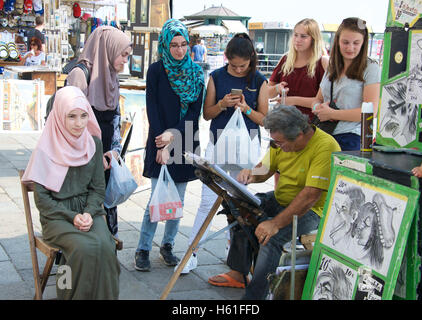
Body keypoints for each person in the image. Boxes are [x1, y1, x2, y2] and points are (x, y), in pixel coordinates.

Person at [208, 106, 341, 299]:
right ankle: (239, 271)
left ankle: (255, 297)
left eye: (281, 142)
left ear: (300, 135)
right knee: (237, 207)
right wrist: (251, 175)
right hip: (281, 198)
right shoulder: (280, 142)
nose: (277, 146)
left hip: (313, 210)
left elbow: (310, 196)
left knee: (272, 238)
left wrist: (275, 224)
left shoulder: (325, 146)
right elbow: (266, 168)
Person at [177, 33, 269, 275]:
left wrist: (247, 109)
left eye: (243, 66)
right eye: (233, 65)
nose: (238, 70)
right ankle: (191, 252)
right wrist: (222, 105)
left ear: (251, 60)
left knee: (239, 204)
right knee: (207, 200)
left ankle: (236, 256)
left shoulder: (259, 81)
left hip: (246, 146)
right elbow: (206, 114)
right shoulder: (217, 77)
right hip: (218, 144)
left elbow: (265, 120)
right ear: (227, 58)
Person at [21, 86, 120, 300]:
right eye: (72, 116)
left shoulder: (92, 143)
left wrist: (88, 212)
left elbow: (97, 189)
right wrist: (71, 216)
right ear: (59, 116)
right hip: (56, 217)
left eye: (84, 116)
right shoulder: (46, 149)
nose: (79, 123)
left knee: (106, 246)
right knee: (83, 248)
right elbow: (43, 200)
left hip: (89, 212)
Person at [134, 19, 205, 271]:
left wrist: (171, 137)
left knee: (178, 200)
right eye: (174, 45)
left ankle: (168, 245)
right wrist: (161, 143)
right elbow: (152, 108)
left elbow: (194, 113)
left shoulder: (196, 73)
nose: (179, 50)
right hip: (158, 138)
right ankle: (143, 248)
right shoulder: (156, 70)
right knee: (156, 199)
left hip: (184, 139)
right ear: (165, 44)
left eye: (184, 44)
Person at [66, 26, 132, 237]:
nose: (125, 61)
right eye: (123, 54)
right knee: (83, 216)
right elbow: (71, 126)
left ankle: (102, 260)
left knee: (102, 214)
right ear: (108, 49)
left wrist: (114, 151)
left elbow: (115, 120)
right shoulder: (80, 74)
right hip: (82, 162)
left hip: (104, 161)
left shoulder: (111, 76)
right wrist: (93, 155)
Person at [311, 17, 381, 151]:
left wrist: (331, 114)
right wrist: (317, 107)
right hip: (323, 134)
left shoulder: (371, 68)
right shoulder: (332, 65)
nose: (350, 48)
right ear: (337, 41)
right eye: (345, 42)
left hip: (350, 138)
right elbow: (317, 99)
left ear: (363, 43)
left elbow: (370, 112)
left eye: (356, 43)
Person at [269, 18, 329, 122]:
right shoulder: (285, 60)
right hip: (284, 124)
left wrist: (292, 100)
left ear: (314, 39)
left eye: (303, 36)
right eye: (295, 35)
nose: (298, 39)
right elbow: (267, 93)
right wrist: (277, 88)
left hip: (311, 125)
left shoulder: (322, 62)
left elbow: (324, 100)